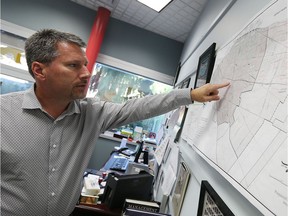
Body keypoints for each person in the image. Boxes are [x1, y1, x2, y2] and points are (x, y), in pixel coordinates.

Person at [0, 29, 230, 216]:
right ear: (39, 70)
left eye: (85, 65)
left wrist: (190, 95)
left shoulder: (92, 114)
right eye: (73, 65)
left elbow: (138, 107)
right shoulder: (3, 113)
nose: (87, 73)